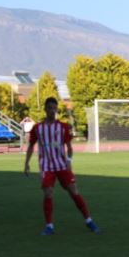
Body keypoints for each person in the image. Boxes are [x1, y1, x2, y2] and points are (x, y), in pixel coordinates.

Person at [23, 97, 100, 236]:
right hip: (46, 166)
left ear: (57, 109)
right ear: (45, 109)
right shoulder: (38, 128)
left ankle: (89, 221)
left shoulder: (63, 127)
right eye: (50, 108)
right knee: (48, 192)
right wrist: (26, 163)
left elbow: (70, 148)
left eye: (54, 108)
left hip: (62, 166)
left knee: (74, 191)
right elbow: (30, 146)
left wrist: (69, 159)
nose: (52, 111)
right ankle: (49, 226)